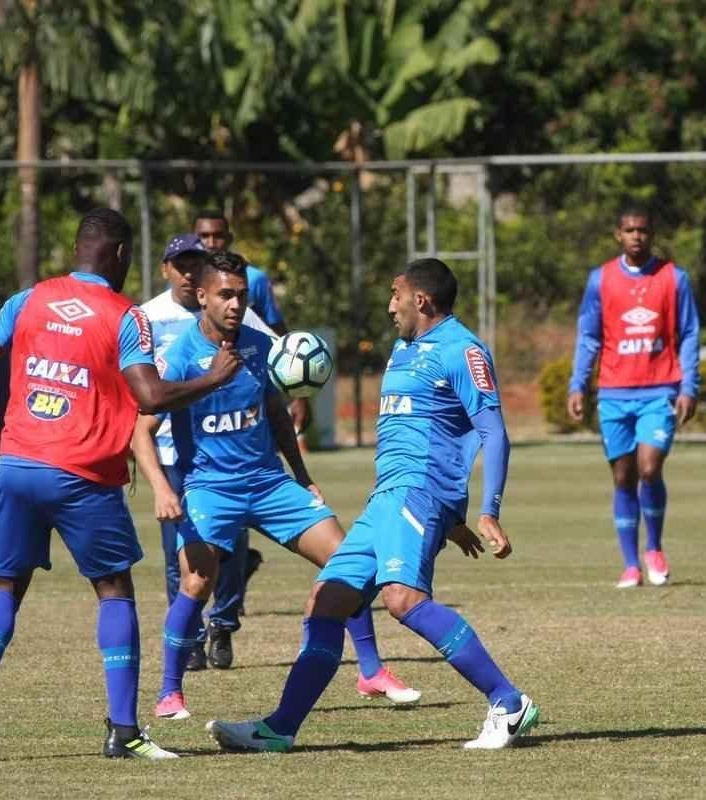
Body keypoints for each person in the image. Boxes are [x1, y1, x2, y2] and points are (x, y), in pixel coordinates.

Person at [0, 208, 243, 761]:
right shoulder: (126, 316)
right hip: (82, 474)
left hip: (18, 466)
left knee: (5, 586)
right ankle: (123, 730)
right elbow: (149, 397)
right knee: (115, 592)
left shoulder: (28, 299)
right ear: (122, 254)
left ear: (78, 249)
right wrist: (212, 379)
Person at [205, 258, 539, 753]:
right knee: (327, 601)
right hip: (387, 498)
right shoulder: (403, 349)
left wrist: (486, 509)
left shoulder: (462, 349)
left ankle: (508, 702)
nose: (389, 306)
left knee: (402, 599)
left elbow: (493, 432)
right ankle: (279, 728)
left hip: (418, 492)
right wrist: (448, 521)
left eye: (395, 295)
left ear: (420, 300)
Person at [132, 251, 421, 722]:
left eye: (242, 296)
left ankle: (370, 671)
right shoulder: (180, 355)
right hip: (210, 489)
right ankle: (169, 692)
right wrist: (163, 490)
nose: (235, 305)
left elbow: (276, 415)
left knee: (349, 560)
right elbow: (140, 432)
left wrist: (303, 477)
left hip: (269, 484)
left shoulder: (261, 346)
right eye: (225, 295)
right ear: (202, 296)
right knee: (197, 581)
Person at [140, 233, 269, 672]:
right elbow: (138, 380)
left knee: (231, 550)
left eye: (195, 263)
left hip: (227, 452)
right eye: (180, 264)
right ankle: (190, 640)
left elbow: (276, 353)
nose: (187, 271)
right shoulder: (148, 317)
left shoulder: (239, 317)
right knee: (180, 556)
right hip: (170, 450)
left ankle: (224, 622)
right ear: (166, 269)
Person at [567, 206, 701, 588]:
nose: (636, 236)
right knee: (623, 476)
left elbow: (689, 333)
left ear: (652, 234)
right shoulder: (601, 280)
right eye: (629, 230)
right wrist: (578, 384)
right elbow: (589, 336)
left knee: (649, 468)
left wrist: (689, 386)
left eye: (642, 230)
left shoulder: (674, 278)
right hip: (613, 392)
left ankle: (654, 547)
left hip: (660, 390)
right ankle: (630, 564)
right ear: (618, 235)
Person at [192, 209, 312, 445]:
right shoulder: (184, 281)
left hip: (248, 386)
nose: (211, 242)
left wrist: (299, 393)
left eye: (218, 235)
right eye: (203, 236)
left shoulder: (254, 279)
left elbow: (277, 334)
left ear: (229, 238)